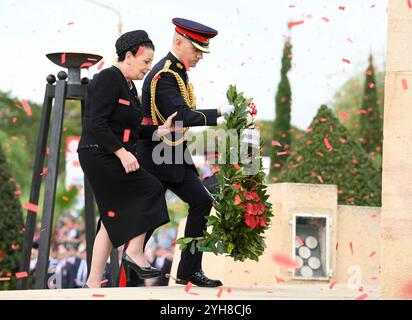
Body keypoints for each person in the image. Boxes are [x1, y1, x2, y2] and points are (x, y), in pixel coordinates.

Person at [77, 30, 179, 288]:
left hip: (110, 153)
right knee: (151, 188)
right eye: (146, 61)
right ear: (129, 56)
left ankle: (92, 283)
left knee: (111, 217)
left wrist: (160, 130)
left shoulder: (130, 87)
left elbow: (131, 131)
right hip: (98, 153)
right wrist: (121, 153)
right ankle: (134, 251)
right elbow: (96, 123)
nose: (148, 68)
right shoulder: (107, 78)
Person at [137, 18, 224, 287]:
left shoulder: (177, 72)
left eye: (202, 51)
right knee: (145, 219)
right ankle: (123, 274)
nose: (199, 56)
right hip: (156, 156)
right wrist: (220, 114)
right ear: (178, 42)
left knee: (201, 201)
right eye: (196, 49)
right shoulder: (165, 74)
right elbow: (180, 116)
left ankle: (189, 270)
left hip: (174, 154)